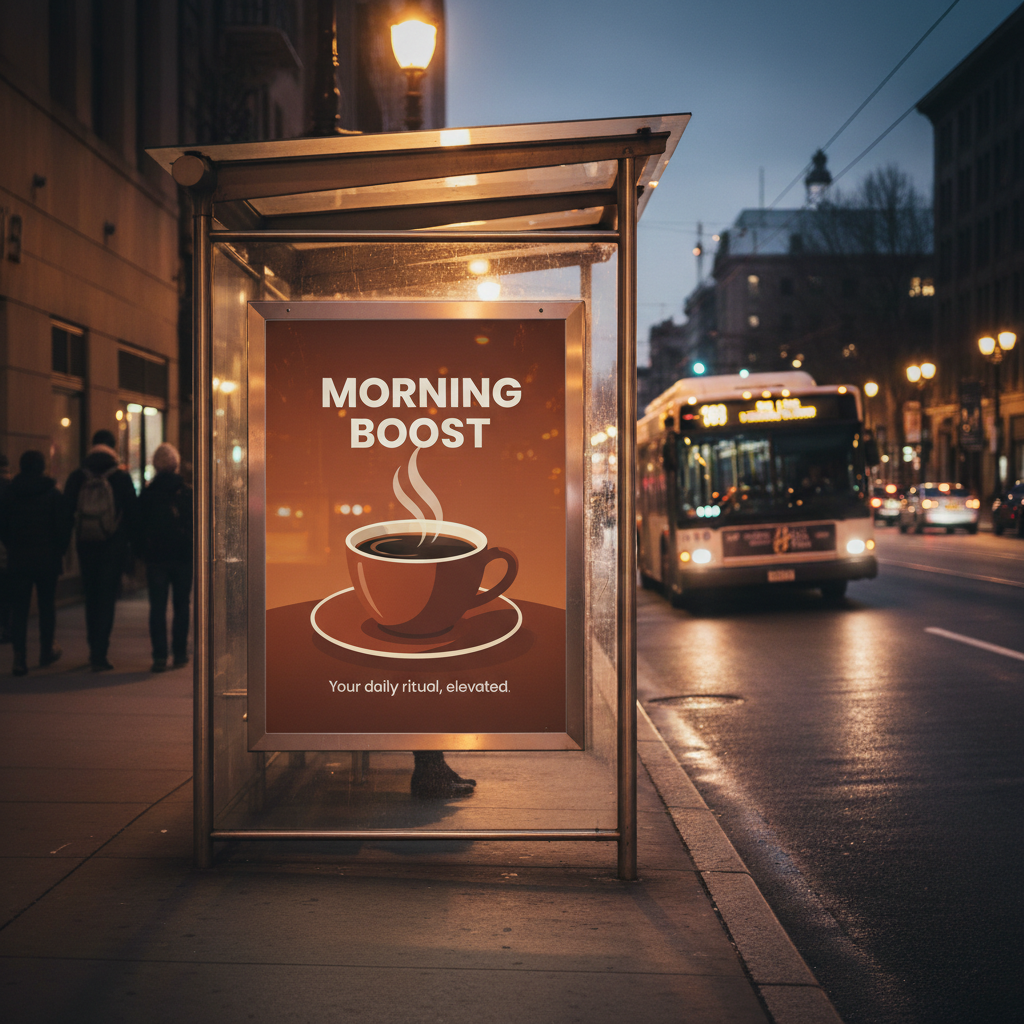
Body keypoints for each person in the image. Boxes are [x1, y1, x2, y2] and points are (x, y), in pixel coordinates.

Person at [63, 430, 138, 671]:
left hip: (85, 546)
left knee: (91, 597)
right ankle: (100, 652)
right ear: (113, 447)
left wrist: (65, 546)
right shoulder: (120, 477)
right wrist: (131, 550)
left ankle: (91, 645)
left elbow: (66, 512)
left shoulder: (77, 476)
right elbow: (132, 515)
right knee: (106, 599)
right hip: (112, 547)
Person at [0, 451, 72, 675]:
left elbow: (3, 526)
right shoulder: (52, 494)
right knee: (46, 606)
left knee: (19, 610)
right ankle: (45, 650)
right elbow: (62, 527)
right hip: (47, 559)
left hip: (19, 559)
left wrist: (12, 545)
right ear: (42, 467)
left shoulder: (11, 493)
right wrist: (59, 550)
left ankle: (19, 658)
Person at [137, 443, 192, 672]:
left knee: (157, 607)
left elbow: (139, 527)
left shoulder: (148, 493)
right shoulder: (187, 492)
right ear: (176, 464)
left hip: (157, 558)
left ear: (155, 465)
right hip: (182, 556)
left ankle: (159, 655)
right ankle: (179, 653)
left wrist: (142, 554)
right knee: (182, 605)